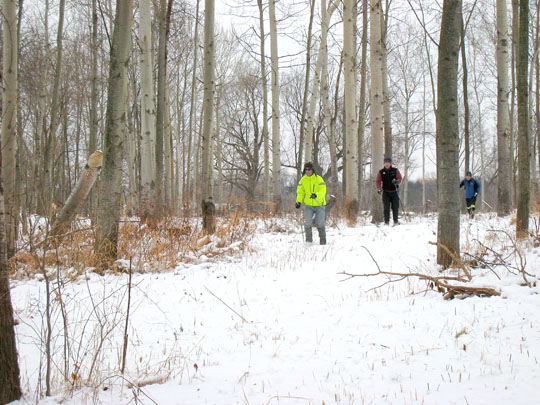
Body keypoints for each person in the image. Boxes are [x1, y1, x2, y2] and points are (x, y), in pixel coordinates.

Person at [295, 162, 327, 245]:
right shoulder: (303, 180)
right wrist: (298, 201)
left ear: (312, 170)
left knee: (320, 223)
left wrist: (316, 195)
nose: (308, 171)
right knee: (307, 222)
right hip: (309, 205)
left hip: (320, 204)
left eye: (309, 169)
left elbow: (323, 190)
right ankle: (309, 242)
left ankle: (323, 243)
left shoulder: (319, 179)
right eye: (306, 169)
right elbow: (300, 192)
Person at [376, 157, 402, 226]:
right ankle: (386, 222)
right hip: (386, 192)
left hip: (394, 192)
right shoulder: (381, 172)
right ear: (384, 163)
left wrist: (397, 181)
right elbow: (378, 181)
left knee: (395, 207)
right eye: (385, 163)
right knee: (386, 207)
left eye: (388, 163)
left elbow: (400, 178)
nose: (387, 164)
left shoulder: (395, 170)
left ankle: (395, 222)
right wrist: (379, 188)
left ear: (390, 163)